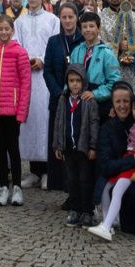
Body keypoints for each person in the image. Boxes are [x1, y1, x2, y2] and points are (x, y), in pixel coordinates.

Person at [88, 86, 135, 241]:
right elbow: (106, 165)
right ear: (112, 104)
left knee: (118, 188)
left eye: (126, 101)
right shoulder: (108, 128)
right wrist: (132, 160)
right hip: (126, 163)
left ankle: (106, 226)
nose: (122, 105)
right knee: (106, 187)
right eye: (118, 101)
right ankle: (110, 222)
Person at [0, 12, 31, 205]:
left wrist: (22, 111)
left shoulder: (20, 52)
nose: (3, 32)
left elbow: (26, 83)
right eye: (0, 29)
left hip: (12, 110)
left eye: (7, 29)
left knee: (14, 149)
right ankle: (3, 187)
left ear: (12, 30)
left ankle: (17, 187)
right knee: (0, 150)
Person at [14, 0, 57, 188]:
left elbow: (55, 45)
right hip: (26, 76)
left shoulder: (52, 19)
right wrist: (26, 61)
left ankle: (49, 170)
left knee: (45, 120)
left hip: (45, 76)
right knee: (29, 121)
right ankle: (33, 171)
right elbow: (17, 45)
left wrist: (42, 59)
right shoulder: (19, 21)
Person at [43, 1, 83, 195]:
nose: (67, 20)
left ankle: (76, 189)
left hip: (78, 101)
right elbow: (48, 70)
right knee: (60, 144)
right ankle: (63, 186)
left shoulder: (83, 40)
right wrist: (59, 92)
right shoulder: (53, 41)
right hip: (59, 100)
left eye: (71, 17)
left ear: (77, 18)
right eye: (64, 17)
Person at [53, 64, 99, 226]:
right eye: (71, 80)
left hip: (84, 149)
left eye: (78, 80)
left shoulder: (88, 101)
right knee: (72, 180)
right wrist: (58, 145)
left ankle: (87, 210)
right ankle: (75, 209)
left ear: (83, 81)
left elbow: (94, 123)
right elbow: (58, 122)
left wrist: (93, 146)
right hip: (68, 148)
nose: (75, 84)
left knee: (85, 180)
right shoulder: (63, 99)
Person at [68, 10, 120, 121]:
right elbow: (70, 76)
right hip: (79, 101)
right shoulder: (76, 51)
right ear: (80, 30)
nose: (88, 30)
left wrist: (95, 93)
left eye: (91, 26)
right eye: (84, 27)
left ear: (98, 28)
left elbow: (115, 82)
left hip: (100, 105)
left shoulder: (108, 53)